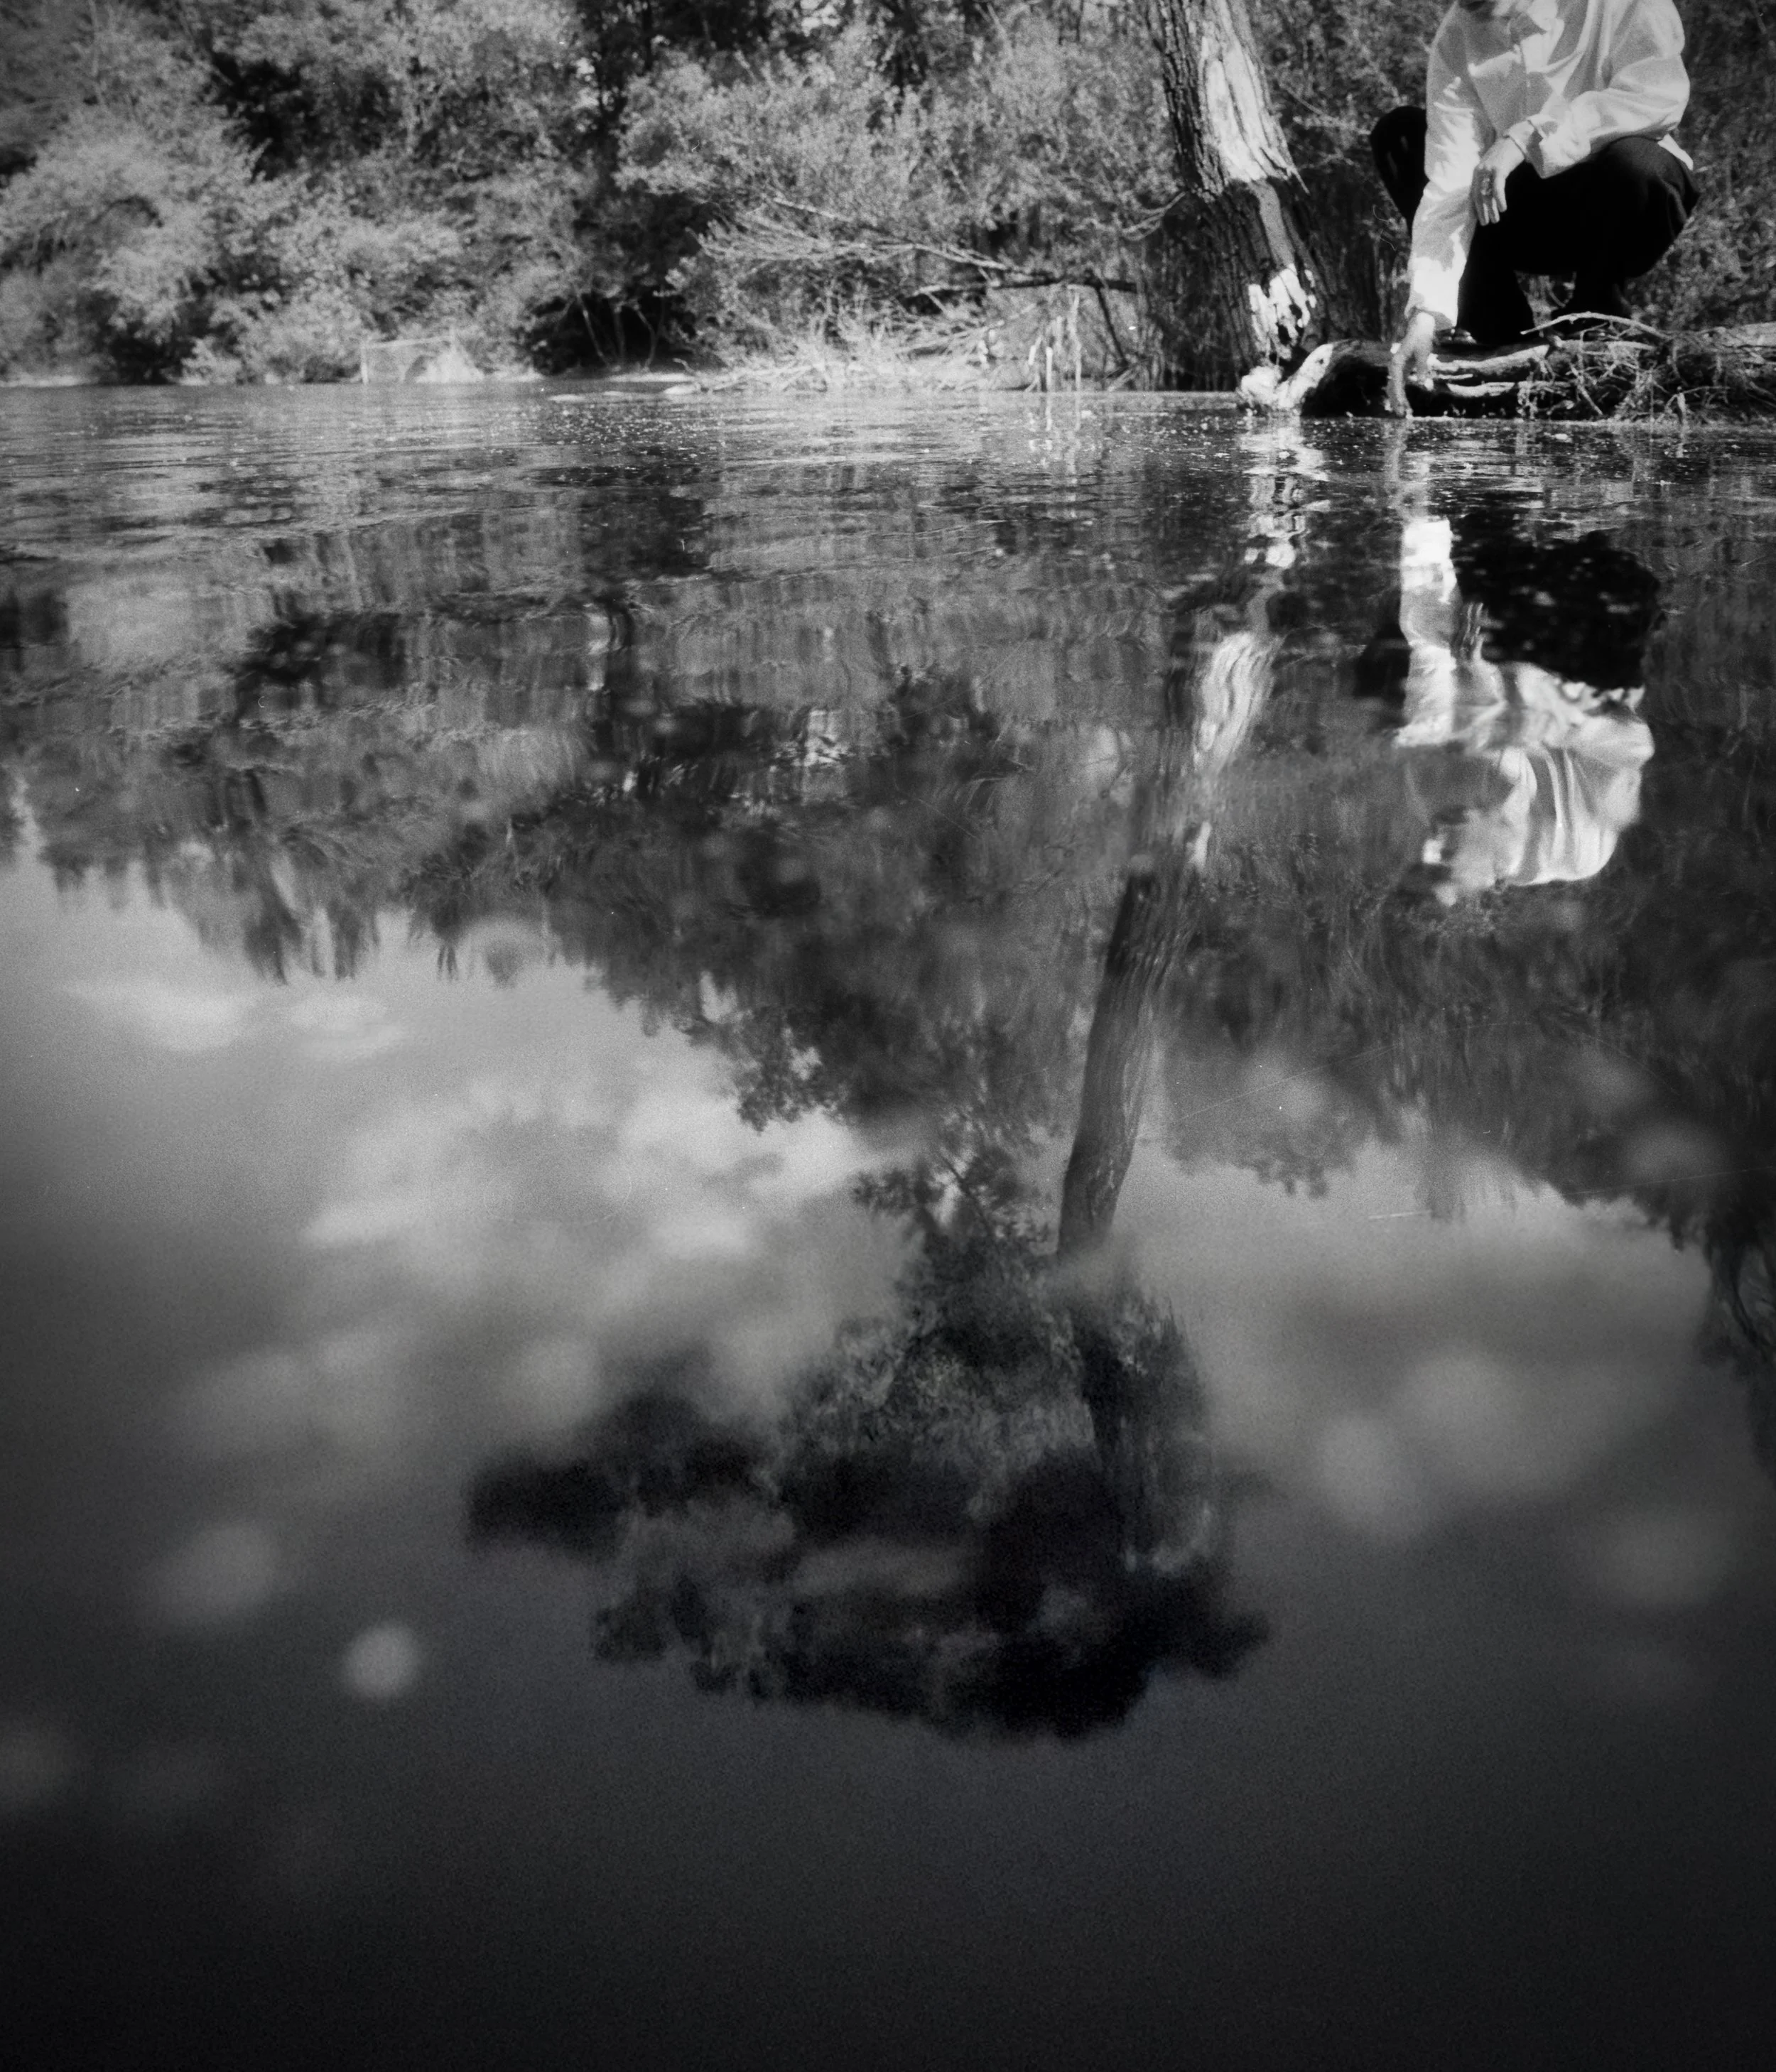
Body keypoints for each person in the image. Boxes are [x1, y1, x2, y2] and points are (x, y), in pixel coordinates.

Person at [1373, 0, 1699, 389]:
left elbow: (1657, 98)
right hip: (1517, 214)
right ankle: (1499, 330)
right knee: (1400, 136)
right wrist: (1426, 313)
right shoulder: (1456, 34)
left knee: (1637, 163)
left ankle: (1597, 317)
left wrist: (1526, 137)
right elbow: (1451, 180)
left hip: (1620, 209)